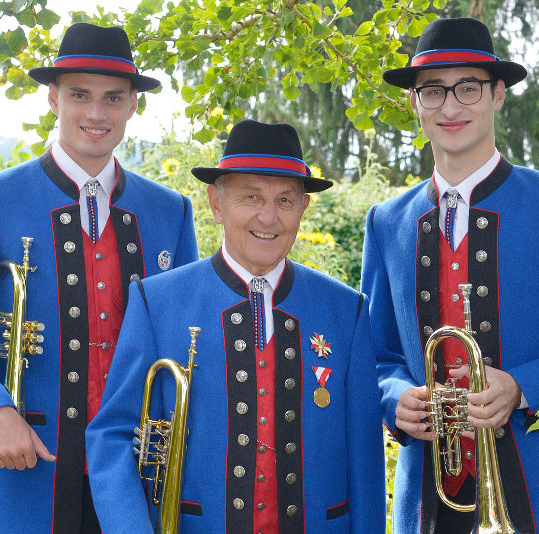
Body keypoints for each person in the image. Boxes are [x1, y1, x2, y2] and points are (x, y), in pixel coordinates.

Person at [361, 17, 539, 534]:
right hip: (429, 501)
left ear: (498, 94)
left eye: (468, 88)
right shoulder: (387, 222)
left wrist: (522, 387)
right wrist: (393, 396)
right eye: (433, 91)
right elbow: (377, 357)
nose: (450, 107)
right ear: (414, 104)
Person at [0, 22, 198, 534]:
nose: (96, 113)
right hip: (24, 478)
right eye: (79, 95)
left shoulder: (171, 213)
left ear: (132, 105)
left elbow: (183, 347)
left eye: (113, 98)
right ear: (53, 98)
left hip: (138, 484)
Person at [86, 119, 386, 534]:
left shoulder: (346, 310)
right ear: (216, 202)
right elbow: (112, 436)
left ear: (303, 208)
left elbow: (366, 459)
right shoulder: (156, 302)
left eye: (285, 200)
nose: (269, 217)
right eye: (251, 196)